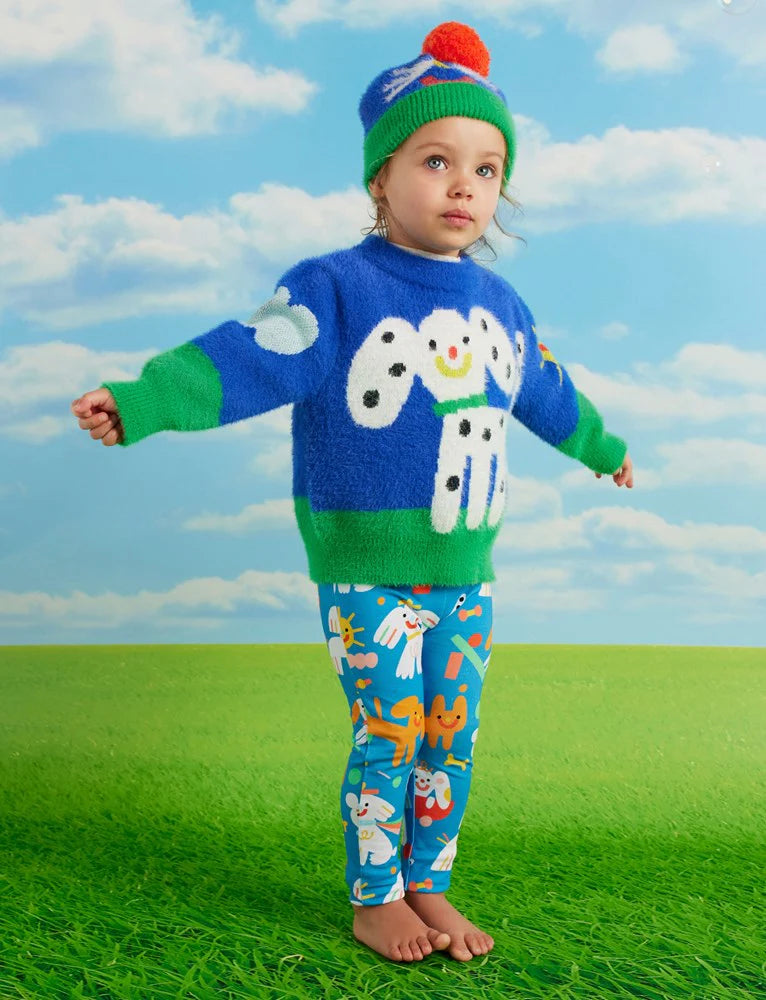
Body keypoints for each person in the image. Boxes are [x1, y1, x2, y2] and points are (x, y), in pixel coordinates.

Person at [71, 21, 634, 964]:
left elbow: (547, 387)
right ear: (381, 176)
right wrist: (141, 401)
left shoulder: (501, 306)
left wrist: (603, 446)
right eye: (436, 159)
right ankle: (376, 897)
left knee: (451, 732)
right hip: (366, 566)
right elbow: (248, 354)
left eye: (488, 170)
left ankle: (429, 883)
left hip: (464, 565)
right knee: (391, 729)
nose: (465, 185)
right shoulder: (337, 286)